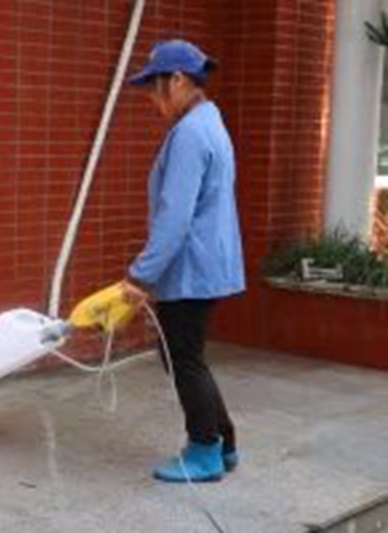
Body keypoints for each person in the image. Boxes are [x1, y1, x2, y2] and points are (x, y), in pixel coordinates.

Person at [121, 40, 246, 483]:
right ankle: (224, 443)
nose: (152, 100)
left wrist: (141, 275)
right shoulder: (209, 121)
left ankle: (204, 450)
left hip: (191, 267)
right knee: (188, 357)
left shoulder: (191, 133)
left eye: (153, 89)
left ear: (176, 80)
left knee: (183, 359)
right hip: (206, 262)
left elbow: (175, 215)